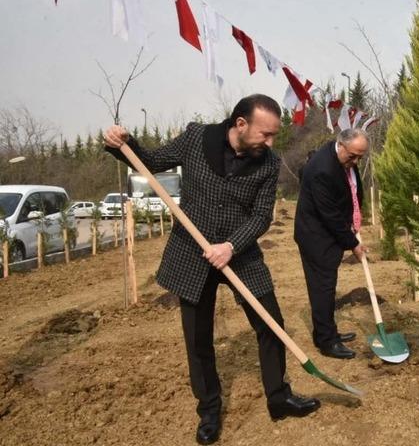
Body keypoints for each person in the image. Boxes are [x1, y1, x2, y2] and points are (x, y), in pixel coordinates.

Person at [103, 94, 320, 445]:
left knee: (271, 324)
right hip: (192, 253)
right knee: (198, 339)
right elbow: (150, 161)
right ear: (240, 124)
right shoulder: (196, 138)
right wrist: (123, 143)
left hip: (240, 252)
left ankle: (279, 397)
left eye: (273, 136)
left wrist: (231, 246)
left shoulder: (268, 163)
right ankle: (209, 410)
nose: (270, 142)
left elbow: (261, 216)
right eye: (265, 134)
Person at [294, 128, 369, 360]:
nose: (355, 161)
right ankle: (326, 341)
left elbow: (352, 191)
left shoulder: (341, 157)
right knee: (322, 287)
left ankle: (328, 331)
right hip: (316, 236)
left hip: (329, 232)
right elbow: (331, 216)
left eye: (360, 157)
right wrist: (353, 243)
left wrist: (357, 216)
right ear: (341, 145)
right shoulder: (321, 170)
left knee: (327, 285)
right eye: (353, 156)